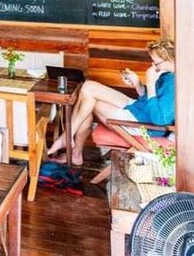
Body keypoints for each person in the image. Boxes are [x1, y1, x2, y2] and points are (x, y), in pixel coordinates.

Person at [47, 38, 175, 166]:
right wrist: (138, 84)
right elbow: (150, 97)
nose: (153, 66)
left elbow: (160, 120)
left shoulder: (176, 84)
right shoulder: (167, 74)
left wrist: (151, 83)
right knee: (88, 86)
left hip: (144, 125)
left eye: (156, 63)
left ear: (170, 59)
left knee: (89, 102)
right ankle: (68, 139)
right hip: (139, 108)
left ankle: (70, 144)